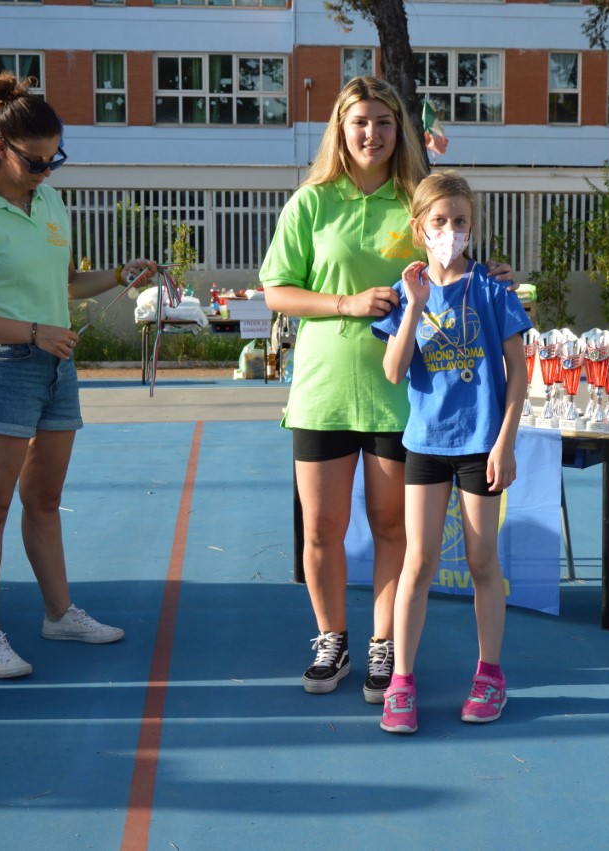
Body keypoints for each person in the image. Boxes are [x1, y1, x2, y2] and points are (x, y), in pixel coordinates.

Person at [0, 72, 157, 679]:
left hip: (57, 367)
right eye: (35, 161)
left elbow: (66, 285)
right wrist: (34, 333)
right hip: (5, 368)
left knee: (45, 500)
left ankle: (59, 614)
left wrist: (118, 275)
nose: (46, 170)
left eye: (54, 158)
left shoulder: (50, 201)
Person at [260, 75, 430, 703]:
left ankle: (385, 645)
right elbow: (277, 291)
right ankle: (332, 639)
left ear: (399, 130)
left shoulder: (417, 202)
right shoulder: (310, 202)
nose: (372, 133)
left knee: (391, 526)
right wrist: (346, 303)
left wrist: (486, 276)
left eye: (384, 122)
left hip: (401, 391)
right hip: (324, 390)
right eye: (360, 121)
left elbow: (452, 272)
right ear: (341, 128)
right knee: (321, 529)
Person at [371, 171, 531, 734]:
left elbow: (518, 373)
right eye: (438, 221)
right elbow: (394, 372)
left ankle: (490, 676)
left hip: (481, 445)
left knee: (483, 562)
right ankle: (401, 682)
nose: (449, 230)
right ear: (419, 228)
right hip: (426, 445)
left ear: (472, 227)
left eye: (459, 221)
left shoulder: (492, 289)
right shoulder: (405, 290)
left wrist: (505, 441)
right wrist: (415, 306)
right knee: (417, 563)